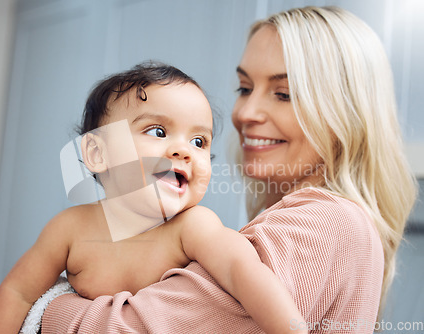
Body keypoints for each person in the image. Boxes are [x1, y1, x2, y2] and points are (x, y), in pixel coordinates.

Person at [38, 6, 418, 334]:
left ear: (344, 116)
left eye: (283, 94)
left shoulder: (321, 223)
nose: (245, 114)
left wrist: (46, 305)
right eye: (244, 87)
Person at [0, 62, 307, 334]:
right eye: (158, 132)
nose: (183, 151)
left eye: (199, 141)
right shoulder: (69, 229)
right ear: (97, 153)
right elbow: (17, 294)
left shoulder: (192, 227)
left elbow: (243, 271)